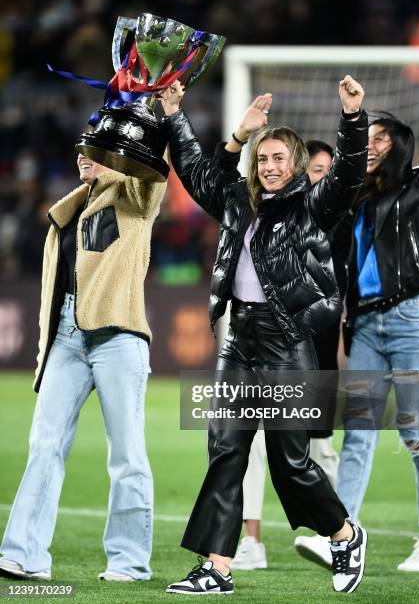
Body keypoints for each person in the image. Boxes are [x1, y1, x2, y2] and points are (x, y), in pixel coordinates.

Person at [159, 75, 369, 595]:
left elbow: (345, 173)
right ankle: (217, 568)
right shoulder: (239, 202)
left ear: (295, 164)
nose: (269, 167)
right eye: (263, 159)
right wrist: (180, 117)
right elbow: (196, 173)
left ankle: (344, 534)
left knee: (288, 462)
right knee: (225, 452)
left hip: (288, 343)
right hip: (240, 341)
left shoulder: (314, 206)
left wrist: (352, 119)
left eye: (278, 158)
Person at [0, 153, 166, 581]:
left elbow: (154, 169)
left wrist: (158, 112)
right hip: (67, 337)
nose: (80, 155)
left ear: (116, 157)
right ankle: (25, 556)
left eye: (95, 149)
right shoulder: (70, 208)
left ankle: (129, 562)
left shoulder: (136, 196)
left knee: (126, 453)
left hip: (118, 334)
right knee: (44, 444)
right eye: (79, 148)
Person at [224, 140, 340, 572]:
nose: (319, 176)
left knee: (311, 451)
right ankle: (248, 541)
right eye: (313, 168)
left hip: (312, 351)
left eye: (325, 169)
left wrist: (353, 120)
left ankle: (337, 533)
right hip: (266, 343)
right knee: (246, 445)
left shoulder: (331, 213)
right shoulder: (269, 213)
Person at [334, 115, 419, 572]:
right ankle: (342, 534)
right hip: (367, 326)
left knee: (417, 435)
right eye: (365, 139)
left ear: (400, 146)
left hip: (411, 318)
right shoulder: (357, 198)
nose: (368, 146)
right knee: (358, 434)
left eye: (378, 139)